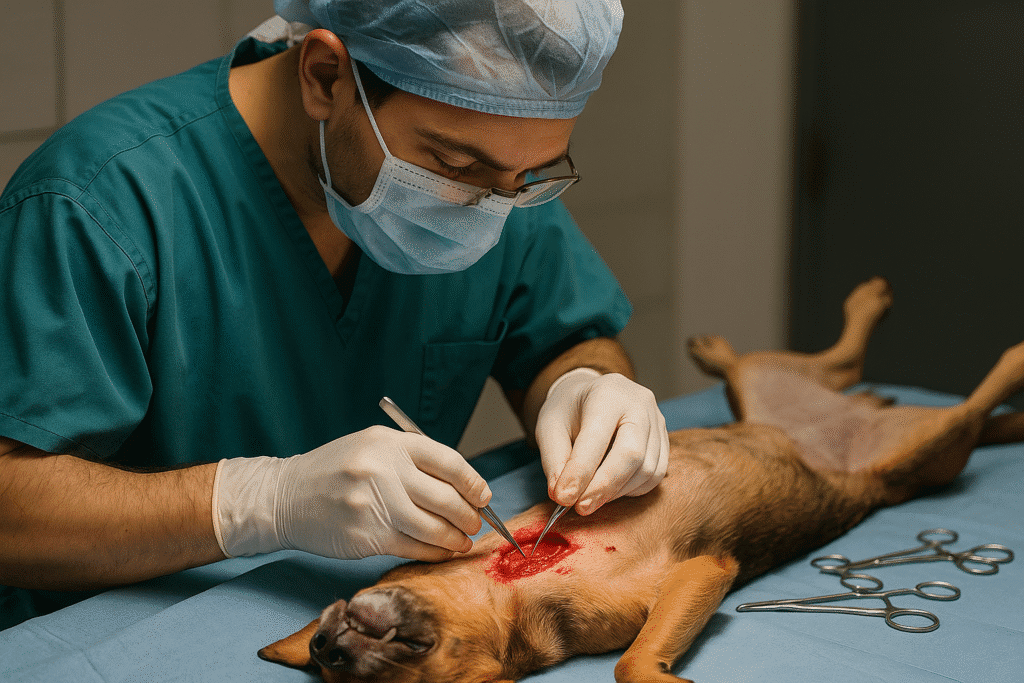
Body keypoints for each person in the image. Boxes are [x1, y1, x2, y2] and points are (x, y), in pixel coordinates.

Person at [0, 0, 668, 626]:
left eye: (528, 178)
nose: (489, 207)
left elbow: (566, 335)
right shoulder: (98, 201)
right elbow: (11, 508)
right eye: (454, 163)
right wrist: (258, 501)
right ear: (327, 76)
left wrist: (586, 386)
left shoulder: (495, 181)